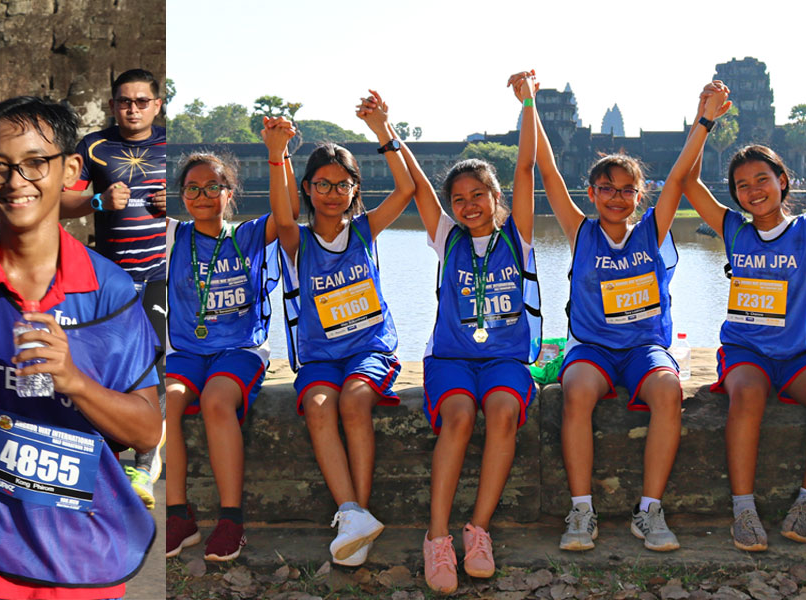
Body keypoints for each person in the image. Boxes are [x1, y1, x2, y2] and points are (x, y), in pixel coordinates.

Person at [0, 95, 161, 598]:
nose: (16, 182)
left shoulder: (108, 288)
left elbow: (148, 429)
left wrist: (74, 382)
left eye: (34, 164)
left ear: (69, 171)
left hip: (86, 544)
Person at [683, 81, 806, 552]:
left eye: (763, 179)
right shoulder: (734, 229)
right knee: (746, 397)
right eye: (743, 185)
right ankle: (743, 509)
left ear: (783, 181)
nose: (754, 190)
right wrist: (705, 120)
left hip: (801, 352)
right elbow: (686, 183)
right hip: (747, 350)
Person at [533, 67, 697, 554]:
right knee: (576, 391)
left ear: (639, 196)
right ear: (592, 194)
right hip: (593, 348)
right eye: (607, 188)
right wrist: (529, 106)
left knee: (669, 390)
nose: (617, 197)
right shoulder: (581, 231)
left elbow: (683, 176)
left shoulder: (652, 231)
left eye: (627, 190)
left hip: (644, 347)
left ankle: (649, 509)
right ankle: (582, 508)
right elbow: (547, 171)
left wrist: (704, 121)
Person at [266, 93, 416, 568]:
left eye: (342, 184)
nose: (332, 192)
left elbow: (408, 190)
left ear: (355, 189)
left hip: (368, 350)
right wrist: (278, 154)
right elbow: (282, 213)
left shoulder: (366, 231)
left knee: (354, 400)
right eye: (322, 184)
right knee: (317, 403)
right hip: (319, 356)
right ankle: (353, 515)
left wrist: (382, 131)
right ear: (308, 188)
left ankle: (356, 517)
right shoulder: (297, 240)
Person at [411, 75, 545, 593]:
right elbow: (420, 187)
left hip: (506, 358)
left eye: (478, 195)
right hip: (450, 358)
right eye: (459, 198)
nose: (468, 205)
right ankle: (437, 537)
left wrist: (529, 105)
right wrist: (385, 131)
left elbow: (527, 168)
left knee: (504, 411)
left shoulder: (520, 237)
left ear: (496, 197)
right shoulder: (448, 239)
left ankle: (478, 530)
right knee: (460, 415)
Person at [61, 68, 171, 509]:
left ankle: (146, 462)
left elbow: (208, 198)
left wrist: (176, 203)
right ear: (113, 105)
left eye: (142, 101)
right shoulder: (92, 146)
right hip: (111, 278)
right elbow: (59, 201)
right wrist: (98, 201)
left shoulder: (171, 145)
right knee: (107, 365)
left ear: (157, 105)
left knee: (155, 362)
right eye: (125, 101)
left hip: (163, 273)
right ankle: (106, 453)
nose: (133, 109)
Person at [162, 152, 277, 562]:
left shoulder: (248, 234)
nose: (203, 195)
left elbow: (288, 213)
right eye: (193, 189)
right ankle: (178, 515)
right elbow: (122, 220)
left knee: (215, 400)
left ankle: (231, 520)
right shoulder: (173, 235)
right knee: (165, 402)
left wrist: (277, 155)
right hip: (188, 350)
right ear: (182, 197)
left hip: (239, 348)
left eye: (213, 187)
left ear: (229, 194)